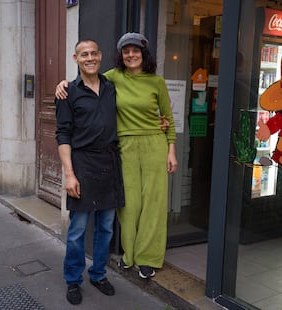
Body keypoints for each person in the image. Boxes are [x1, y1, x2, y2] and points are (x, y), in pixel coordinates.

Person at [56, 32, 177, 279]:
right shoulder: (111, 79)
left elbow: (169, 118)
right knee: (128, 206)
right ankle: (127, 256)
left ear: (144, 54)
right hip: (119, 150)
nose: (131, 55)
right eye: (126, 51)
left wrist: (171, 149)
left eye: (136, 50)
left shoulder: (153, 82)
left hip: (151, 146)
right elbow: (82, 81)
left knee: (151, 204)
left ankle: (147, 258)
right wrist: (62, 83)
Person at [55, 39, 124, 305]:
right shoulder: (68, 92)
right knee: (77, 230)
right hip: (82, 164)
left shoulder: (111, 87)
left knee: (105, 228)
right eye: (84, 54)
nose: (90, 58)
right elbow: (63, 135)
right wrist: (69, 174)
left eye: (94, 53)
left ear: (100, 56)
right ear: (76, 58)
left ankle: (98, 274)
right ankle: (73, 279)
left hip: (109, 163)